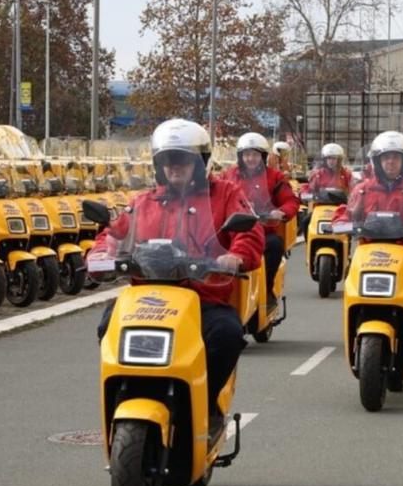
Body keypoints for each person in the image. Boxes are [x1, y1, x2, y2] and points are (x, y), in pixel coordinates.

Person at [91, 119, 264, 421]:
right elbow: (114, 234)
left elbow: (248, 232)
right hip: (148, 297)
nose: (175, 167)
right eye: (168, 160)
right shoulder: (144, 201)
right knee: (108, 325)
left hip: (204, 297)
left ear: (201, 162)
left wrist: (235, 256)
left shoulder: (224, 193)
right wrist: (100, 254)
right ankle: (127, 393)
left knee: (227, 334)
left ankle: (205, 404)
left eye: (183, 160)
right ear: (158, 165)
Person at [333, 131, 403, 320]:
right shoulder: (363, 189)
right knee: (351, 278)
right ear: (377, 162)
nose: (391, 162)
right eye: (386, 158)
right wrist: (341, 223)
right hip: (368, 252)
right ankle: (356, 320)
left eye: (396, 158)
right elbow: (348, 212)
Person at [225, 133, 299, 310]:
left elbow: (291, 200)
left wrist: (280, 212)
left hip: (264, 231)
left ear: (263, 156)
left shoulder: (275, 177)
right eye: (247, 154)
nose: (250, 159)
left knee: (275, 245)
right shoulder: (228, 176)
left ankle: (267, 289)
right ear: (240, 156)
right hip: (233, 231)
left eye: (255, 154)